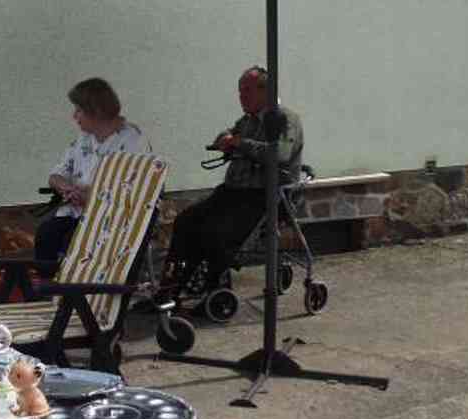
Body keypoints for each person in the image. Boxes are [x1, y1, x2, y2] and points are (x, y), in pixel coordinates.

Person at [160, 66, 303, 299]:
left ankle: (215, 288)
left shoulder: (285, 119)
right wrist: (224, 140)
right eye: (239, 91)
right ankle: (170, 289)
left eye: (247, 90)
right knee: (187, 221)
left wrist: (239, 143)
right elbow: (231, 134)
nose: (241, 96)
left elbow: (280, 154)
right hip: (233, 191)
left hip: (264, 194)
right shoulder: (247, 121)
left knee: (217, 232)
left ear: (265, 92)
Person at [36, 77, 152, 262]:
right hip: (76, 213)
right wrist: (66, 188)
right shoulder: (84, 139)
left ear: (96, 111)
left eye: (79, 110)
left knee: (71, 241)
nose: (74, 116)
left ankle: (72, 287)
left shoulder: (133, 143)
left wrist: (90, 196)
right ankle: (50, 285)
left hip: (109, 221)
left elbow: (133, 192)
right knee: (47, 233)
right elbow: (56, 175)